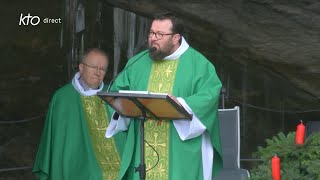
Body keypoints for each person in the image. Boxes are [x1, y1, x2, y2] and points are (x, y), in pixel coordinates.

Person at [106, 12, 223, 180]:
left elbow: (209, 96)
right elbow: (117, 93)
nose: (153, 38)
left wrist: (181, 104)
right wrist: (122, 106)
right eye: (151, 33)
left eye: (160, 34)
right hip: (143, 148)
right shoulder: (136, 63)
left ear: (176, 38)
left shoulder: (199, 65)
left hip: (181, 152)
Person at [32, 48, 126, 180]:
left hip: (112, 163)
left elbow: (122, 135)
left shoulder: (112, 96)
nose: (98, 72)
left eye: (102, 69)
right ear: (81, 68)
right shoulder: (63, 98)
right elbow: (58, 141)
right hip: (73, 163)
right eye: (93, 67)